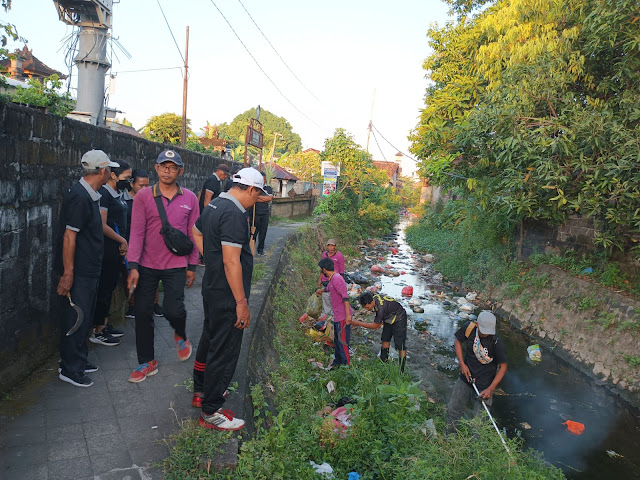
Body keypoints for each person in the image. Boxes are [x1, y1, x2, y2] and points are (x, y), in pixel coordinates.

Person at [191, 167, 266, 430]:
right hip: (227, 295)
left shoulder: (214, 206)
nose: (256, 200)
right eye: (257, 195)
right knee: (224, 350)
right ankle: (211, 410)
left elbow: (196, 231)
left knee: (209, 339)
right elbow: (232, 262)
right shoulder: (234, 214)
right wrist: (242, 303)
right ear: (251, 189)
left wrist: (210, 259)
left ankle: (200, 390)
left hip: (212, 287)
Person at [126, 150, 199, 383]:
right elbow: (136, 232)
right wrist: (133, 265)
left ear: (180, 171)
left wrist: (192, 266)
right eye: (163, 166)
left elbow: (193, 234)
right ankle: (147, 361)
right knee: (143, 311)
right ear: (156, 169)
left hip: (176, 264)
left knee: (173, 309)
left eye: (173, 167)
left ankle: (180, 333)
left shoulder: (190, 198)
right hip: (146, 264)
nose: (168, 170)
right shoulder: (144, 197)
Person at [55, 150, 119, 387]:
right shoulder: (80, 196)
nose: (110, 173)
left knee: (85, 316)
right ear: (103, 171)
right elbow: (69, 236)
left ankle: (78, 360)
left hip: (89, 269)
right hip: (80, 271)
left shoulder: (91, 195)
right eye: (109, 169)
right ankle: (70, 368)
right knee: (76, 317)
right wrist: (68, 272)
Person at [89, 161, 131, 346]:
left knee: (111, 285)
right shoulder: (105, 194)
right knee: (105, 288)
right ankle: (98, 329)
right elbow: (102, 224)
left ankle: (104, 324)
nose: (128, 181)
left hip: (116, 248)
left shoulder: (118, 193)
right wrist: (121, 240)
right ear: (113, 175)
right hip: (108, 248)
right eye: (126, 177)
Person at [445, 311, 508, 433]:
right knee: (453, 411)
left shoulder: (496, 342)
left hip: (485, 387)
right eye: (484, 331)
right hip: (466, 379)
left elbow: (503, 367)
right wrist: (462, 364)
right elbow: (458, 341)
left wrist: (491, 389)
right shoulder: (469, 328)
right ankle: (448, 440)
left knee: (478, 426)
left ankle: (475, 451)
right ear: (477, 324)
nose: (486, 334)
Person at [123, 170, 163, 319]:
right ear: (132, 184)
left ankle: (154, 303)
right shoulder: (124, 202)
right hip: (131, 243)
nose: (145, 189)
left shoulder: (151, 200)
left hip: (150, 244)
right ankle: (133, 305)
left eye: (147, 185)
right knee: (133, 274)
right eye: (141, 186)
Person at [353, 291, 407, 372]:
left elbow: (375, 326)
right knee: (385, 338)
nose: (367, 309)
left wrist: (358, 323)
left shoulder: (380, 307)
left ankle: (401, 370)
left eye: (367, 307)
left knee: (400, 345)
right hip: (389, 316)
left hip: (399, 317)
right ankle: (383, 362)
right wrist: (381, 321)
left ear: (371, 302)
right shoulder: (374, 298)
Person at [315, 257, 352, 368]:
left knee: (343, 342)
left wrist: (348, 315)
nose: (322, 272)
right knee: (337, 341)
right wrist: (322, 290)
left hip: (342, 317)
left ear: (324, 270)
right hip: (337, 316)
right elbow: (330, 288)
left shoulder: (336, 279)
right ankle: (338, 362)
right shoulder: (333, 279)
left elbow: (345, 297)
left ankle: (346, 366)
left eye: (322, 270)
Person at [316, 239, 345, 316]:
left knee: (334, 298)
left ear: (335, 247)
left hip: (335, 280)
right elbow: (322, 268)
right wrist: (320, 280)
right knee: (325, 298)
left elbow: (341, 270)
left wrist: (342, 282)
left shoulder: (339, 256)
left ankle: (335, 314)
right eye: (329, 245)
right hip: (325, 280)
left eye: (332, 245)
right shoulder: (324, 255)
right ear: (326, 246)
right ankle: (327, 315)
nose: (330, 247)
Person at [253, 171, 274, 255]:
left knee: (263, 232)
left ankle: (260, 249)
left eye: (264, 179)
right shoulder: (255, 188)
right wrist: (263, 198)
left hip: (265, 213)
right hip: (255, 213)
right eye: (262, 179)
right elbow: (253, 198)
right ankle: (252, 248)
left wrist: (258, 197)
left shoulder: (268, 188)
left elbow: (269, 199)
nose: (263, 181)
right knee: (254, 232)